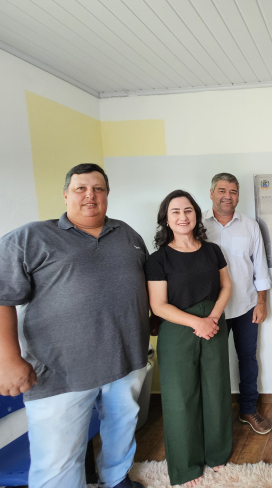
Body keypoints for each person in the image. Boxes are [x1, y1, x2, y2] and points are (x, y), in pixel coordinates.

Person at [0, 164, 148, 488]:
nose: (90, 195)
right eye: (81, 188)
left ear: (107, 195)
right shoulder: (31, 237)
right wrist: (8, 359)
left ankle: (116, 477)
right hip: (60, 370)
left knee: (122, 428)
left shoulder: (128, 235)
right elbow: (2, 297)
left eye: (98, 188)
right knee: (58, 458)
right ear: (66, 194)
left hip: (126, 358)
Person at [146, 190, 233, 488]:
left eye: (188, 210)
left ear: (196, 214)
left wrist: (213, 318)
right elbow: (158, 305)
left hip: (214, 326)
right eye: (175, 212)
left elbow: (226, 286)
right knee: (180, 398)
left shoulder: (213, 250)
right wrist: (198, 322)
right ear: (166, 219)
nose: (182, 217)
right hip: (178, 330)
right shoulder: (158, 259)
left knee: (216, 391)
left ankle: (217, 453)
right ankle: (186, 466)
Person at [202, 173, 272, 434]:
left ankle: (248, 409)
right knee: (213, 363)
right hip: (210, 311)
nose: (227, 196)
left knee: (248, 360)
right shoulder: (197, 225)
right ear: (211, 193)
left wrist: (261, 303)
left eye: (232, 191)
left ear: (238, 196)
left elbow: (260, 268)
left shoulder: (250, 226)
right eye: (222, 190)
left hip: (245, 306)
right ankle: (216, 414)